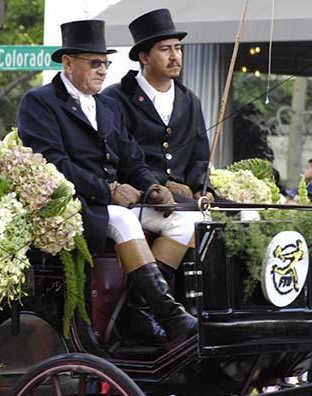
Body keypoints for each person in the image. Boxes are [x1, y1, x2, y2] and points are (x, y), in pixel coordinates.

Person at [17, 19, 200, 344]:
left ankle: (138, 310)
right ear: (68, 63)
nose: (103, 70)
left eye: (106, 63)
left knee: (187, 221)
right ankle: (170, 315)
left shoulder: (106, 105)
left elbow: (132, 159)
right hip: (73, 206)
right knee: (123, 219)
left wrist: (153, 187)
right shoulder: (40, 101)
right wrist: (109, 190)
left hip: (112, 204)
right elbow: (52, 164)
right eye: (95, 63)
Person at [102, 9, 212, 201]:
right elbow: (117, 157)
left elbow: (199, 157)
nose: (174, 56)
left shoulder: (189, 100)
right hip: (140, 196)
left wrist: (203, 189)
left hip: (186, 200)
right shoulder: (114, 98)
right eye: (164, 49)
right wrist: (162, 182)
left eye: (177, 48)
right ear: (144, 57)